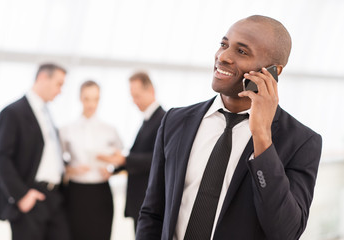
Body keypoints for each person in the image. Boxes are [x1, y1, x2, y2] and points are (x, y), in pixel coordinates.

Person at [136, 15, 322, 240]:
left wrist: (262, 136)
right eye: (223, 45)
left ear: (274, 71)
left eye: (241, 51)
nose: (222, 57)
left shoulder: (301, 141)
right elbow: (153, 213)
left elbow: (286, 232)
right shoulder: (175, 121)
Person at [0, 63, 71, 240]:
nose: (60, 91)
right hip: (30, 198)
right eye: (59, 84)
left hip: (54, 198)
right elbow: (1, 157)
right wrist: (21, 195)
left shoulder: (47, 113)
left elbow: (44, 155)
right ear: (43, 78)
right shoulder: (13, 112)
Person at [97, 72, 166, 231]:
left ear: (151, 91)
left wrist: (123, 160)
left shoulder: (162, 120)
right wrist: (115, 169)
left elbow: (157, 158)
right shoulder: (148, 120)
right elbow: (139, 154)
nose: (134, 101)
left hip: (149, 200)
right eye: (132, 96)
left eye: (137, 96)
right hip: (141, 200)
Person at [60, 80, 123, 240]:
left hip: (101, 193)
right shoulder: (67, 129)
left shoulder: (109, 129)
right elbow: (56, 161)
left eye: (95, 99)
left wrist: (111, 169)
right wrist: (71, 170)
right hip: (76, 193)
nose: (91, 104)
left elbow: (121, 159)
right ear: (80, 98)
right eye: (87, 98)